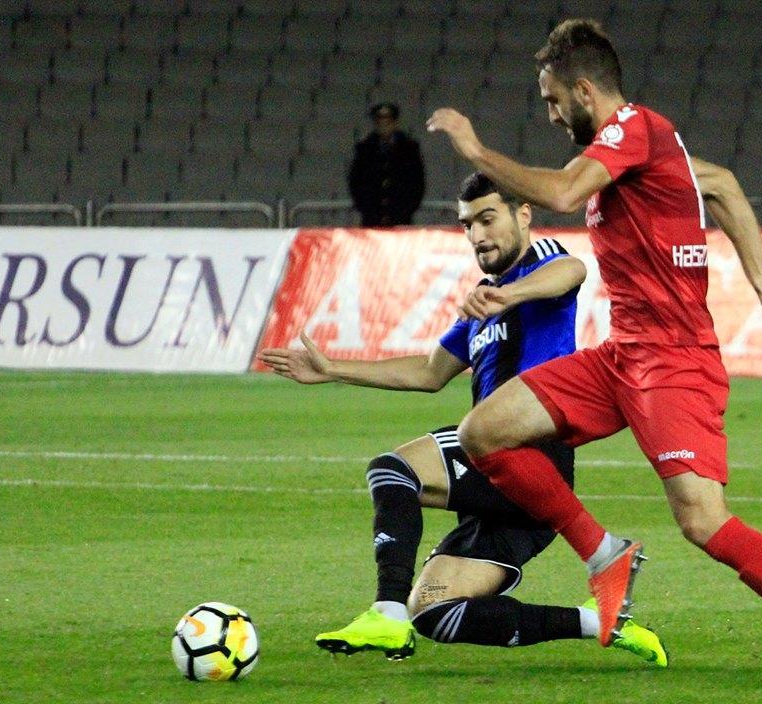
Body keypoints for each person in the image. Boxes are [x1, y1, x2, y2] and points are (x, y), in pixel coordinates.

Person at [426, 19, 762, 696]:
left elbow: (561, 193)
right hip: (623, 356)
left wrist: (475, 149)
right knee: (483, 430)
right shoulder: (646, 151)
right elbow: (721, 184)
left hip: (673, 363)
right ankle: (605, 554)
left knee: (702, 521)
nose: (551, 115)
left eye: (554, 101)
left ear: (585, 91)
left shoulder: (633, 128)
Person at [258, 173, 667, 666]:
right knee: (436, 611)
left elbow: (572, 270)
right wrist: (332, 370)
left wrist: (510, 296)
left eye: (488, 219)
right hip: (506, 484)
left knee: (393, 471)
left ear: (523, 215)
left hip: (526, 449)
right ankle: (598, 622)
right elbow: (429, 372)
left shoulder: (538, 266)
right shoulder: (483, 299)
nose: (477, 235)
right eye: (468, 224)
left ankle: (387, 612)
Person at [347, 102, 426, 227]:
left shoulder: (409, 149)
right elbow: (356, 182)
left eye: (388, 121)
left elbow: (417, 184)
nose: (384, 125)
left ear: (395, 123)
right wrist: (367, 209)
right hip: (372, 218)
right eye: (380, 121)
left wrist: (405, 210)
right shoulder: (365, 149)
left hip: (401, 218)